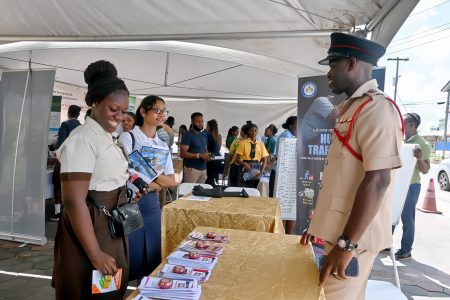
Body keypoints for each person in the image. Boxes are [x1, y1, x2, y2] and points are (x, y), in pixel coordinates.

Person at [299, 32, 403, 300]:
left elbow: (378, 181)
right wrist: (319, 225)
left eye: (333, 65)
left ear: (352, 63)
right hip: (337, 234)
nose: (329, 73)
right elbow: (341, 178)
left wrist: (347, 245)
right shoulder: (352, 109)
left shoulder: (377, 109)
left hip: (351, 240)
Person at [52, 60, 132, 299]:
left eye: (123, 110)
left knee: (108, 289)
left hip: (109, 224)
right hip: (91, 226)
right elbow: (74, 201)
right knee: (88, 288)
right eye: (113, 109)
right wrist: (95, 252)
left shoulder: (107, 136)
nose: (119, 116)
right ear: (95, 102)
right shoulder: (82, 139)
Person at [119, 95, 180, 280]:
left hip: (151, 203)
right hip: (130, 201)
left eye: (164, 111)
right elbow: (127, 166)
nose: (161, 114)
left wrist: (151, 177)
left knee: (153, 252)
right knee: (131, 252)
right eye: (156, 110)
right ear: (143, 111)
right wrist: (157, 180)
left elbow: (172, 181)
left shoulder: (162, 144)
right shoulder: (128, 137)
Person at [394, 113, 430, 260]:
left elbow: (426, 170)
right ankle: (385, 244)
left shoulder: (422, 144)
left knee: (407, 219)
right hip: (398, 184)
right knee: (391, 213)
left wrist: (419, 159)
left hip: (411, 186)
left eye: (404, 123)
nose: (401, 126)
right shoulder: (403, 141)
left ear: (412, 125)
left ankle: (406, 249)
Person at [50, 105, 82, 222]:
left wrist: (54, 147)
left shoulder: (65, 125)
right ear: (78, 115)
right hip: (77, 161)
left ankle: (58, 213)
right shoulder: (81, 126)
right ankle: (70, 212)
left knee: (58, 185)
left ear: (68, 113)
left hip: (64, 160)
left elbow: (61, 144)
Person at [270, 116, 297, 234]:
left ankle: (286, 234)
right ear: (291, 125)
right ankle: (283, 234)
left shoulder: (290, 135)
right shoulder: (286, 136)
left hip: (285, 176)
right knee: (283, 207)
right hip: (281, 176)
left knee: (287, 207)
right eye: (297, 123)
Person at [235, 122, 269, 188]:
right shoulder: (243, 143)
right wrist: (244, 164)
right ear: (248, 132)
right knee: (244, 188)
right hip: (245, 167)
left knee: (254, 188)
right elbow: (236, 159)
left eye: (255, 131)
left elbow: (265, 159)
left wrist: (261, 171)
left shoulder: (260, 144)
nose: (253, 133)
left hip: (257, 167)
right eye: (251, 131)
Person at [180, 112, 210, 183]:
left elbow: (205, 149)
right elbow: (182, 154)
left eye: (202, 121)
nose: (200, 124)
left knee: (200, 192)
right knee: (188, 192)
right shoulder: (187, 135)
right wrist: (199, 155)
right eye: (198, 121)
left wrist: (208, 155)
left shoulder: (203, 135)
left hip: (203, 169)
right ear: (192, 122)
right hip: (192, 170)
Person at [205, 119, 222, 186]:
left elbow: (206, 149)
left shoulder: (208, 136)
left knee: (209, 178)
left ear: (209, 127)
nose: (206, 127)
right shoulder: (219, 136)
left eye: (207, 125)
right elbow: (219, 148)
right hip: (218, 158)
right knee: (215, 178)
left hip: (211, 158)